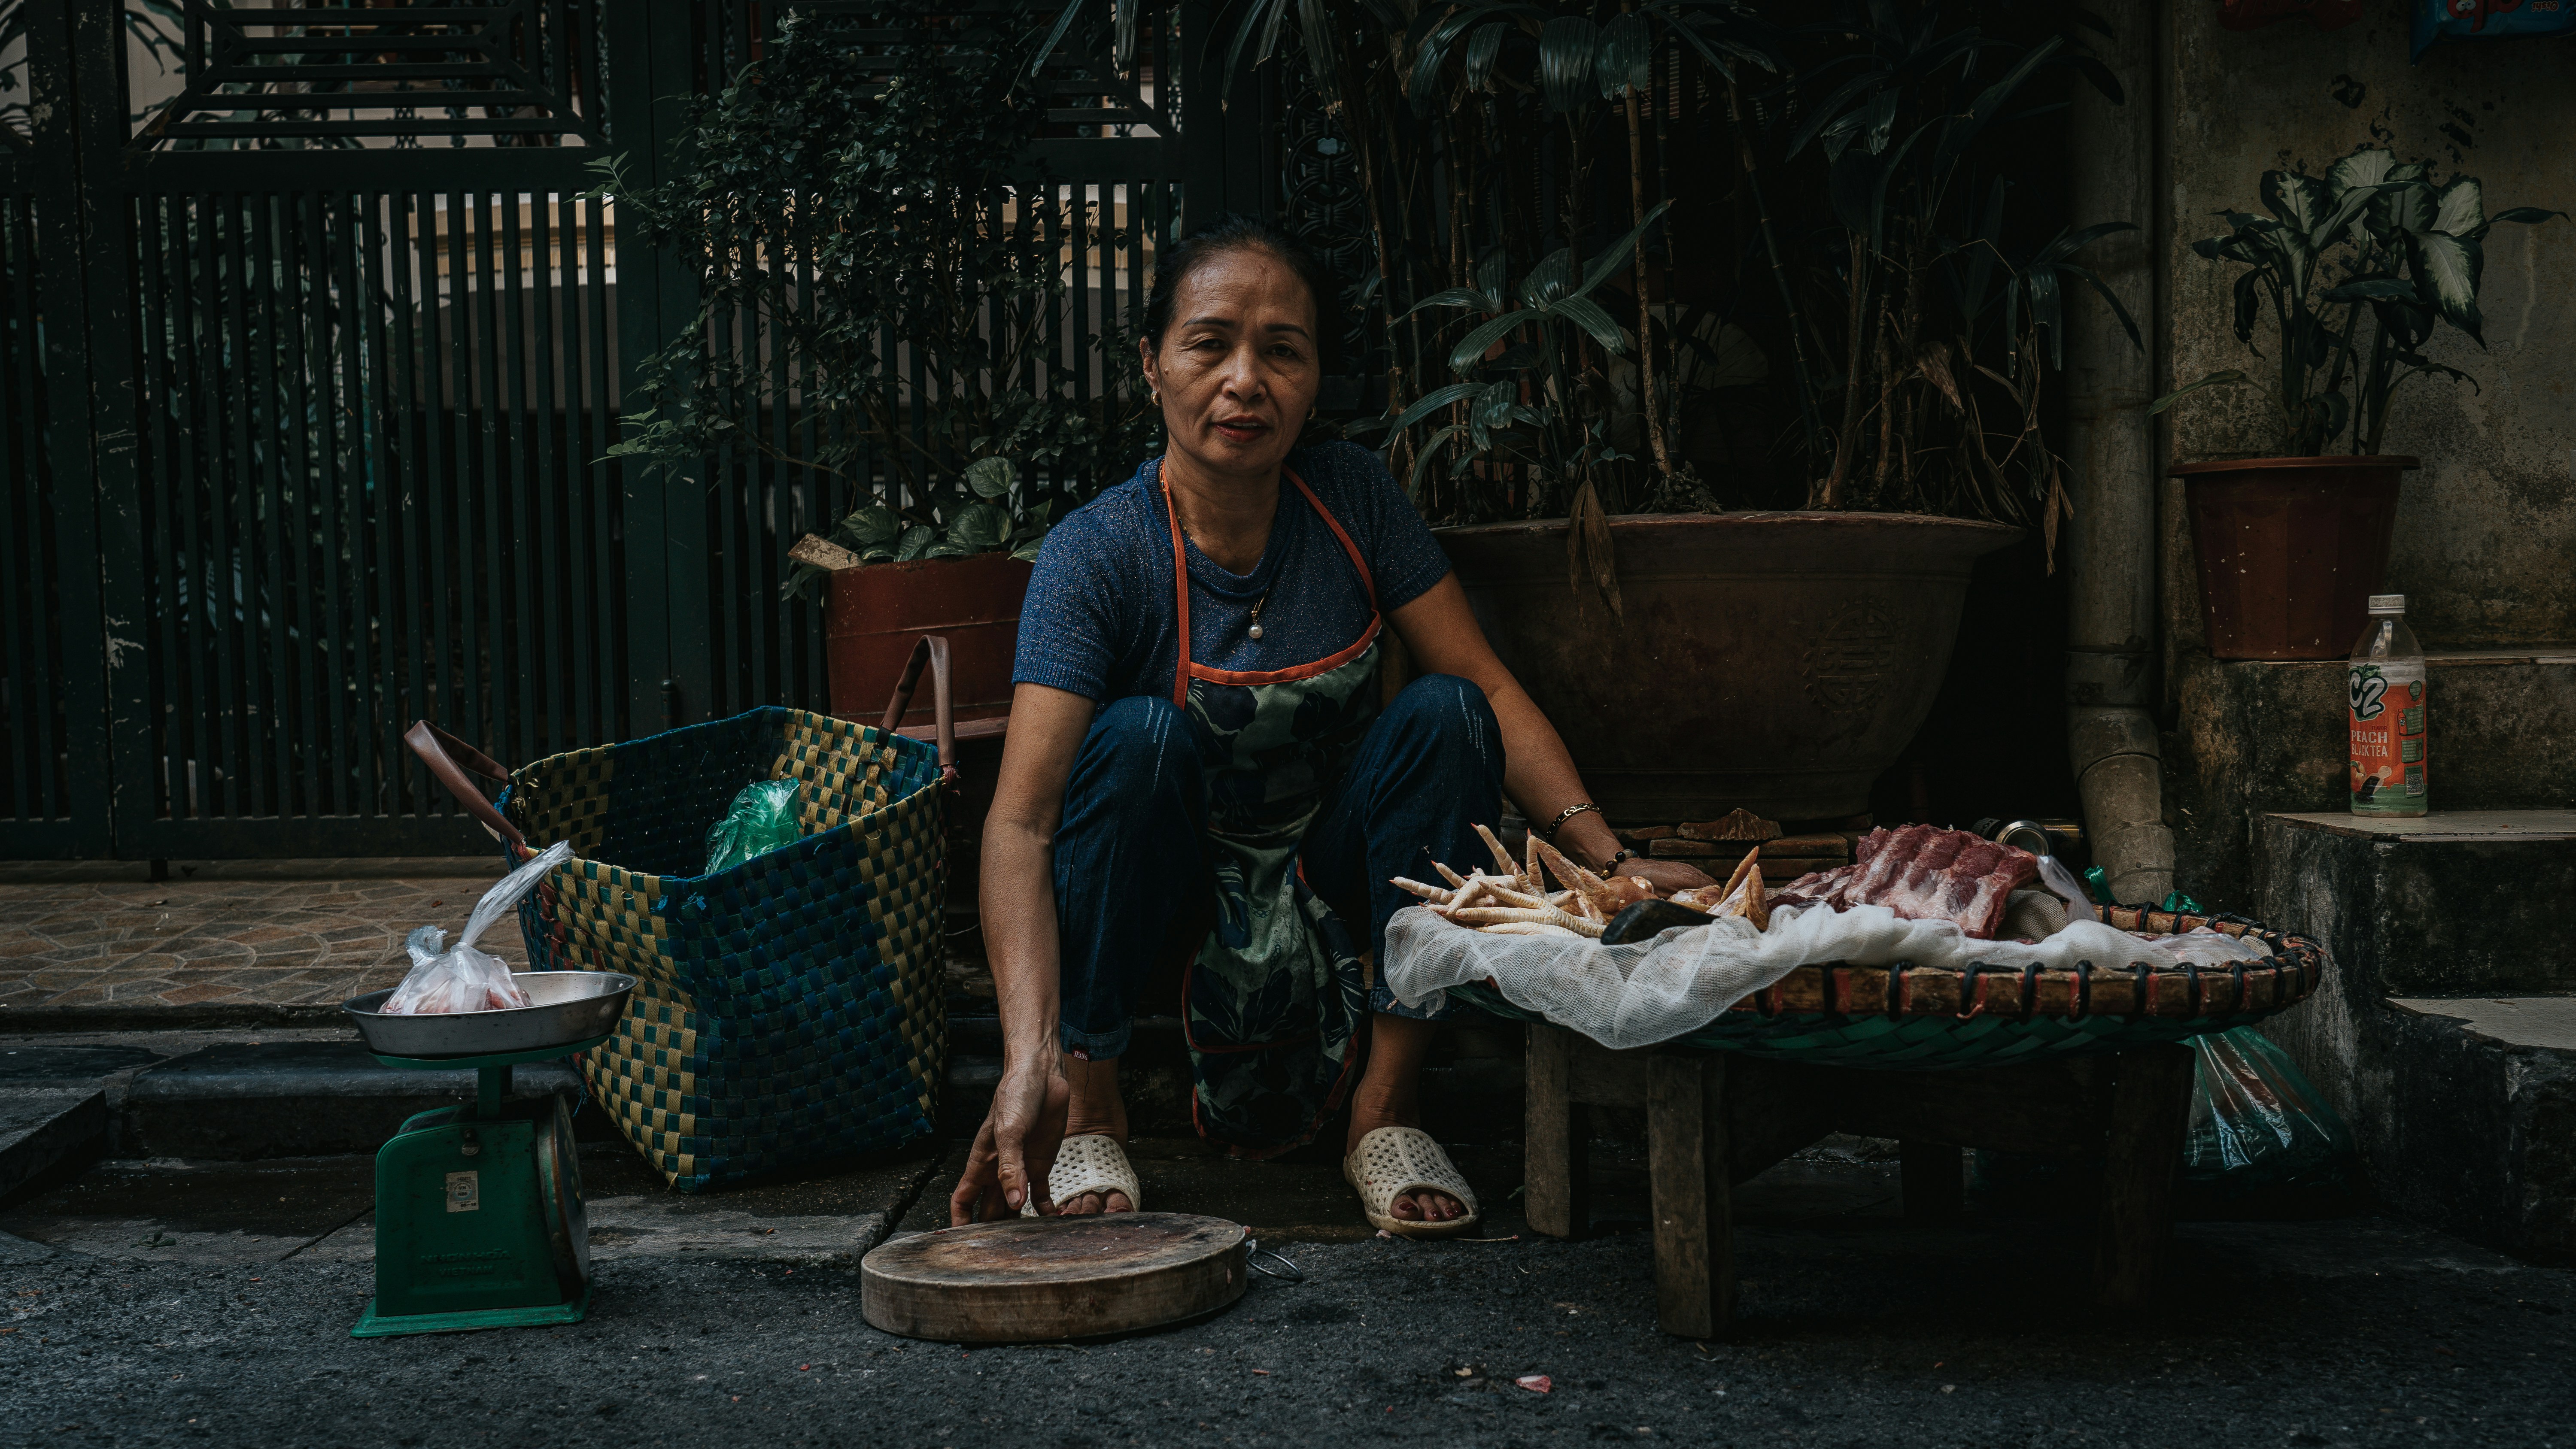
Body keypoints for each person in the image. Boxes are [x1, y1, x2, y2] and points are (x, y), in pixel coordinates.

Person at [949, 216, 1711, 1236]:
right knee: (1135, 739)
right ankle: (1094, 1103)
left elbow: (1486, 681)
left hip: (1330, 878)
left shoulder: (1352, 497)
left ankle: (1384, 1110)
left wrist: (1610, 858)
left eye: (1282, 349)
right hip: (1167, 903)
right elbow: (1023, 825)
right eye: (1209, 342)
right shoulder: (1097, 553)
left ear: (1314, 377)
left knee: (1447, 711)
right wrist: (1028, 1058)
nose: (1244, 379)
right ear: (1152, 363)